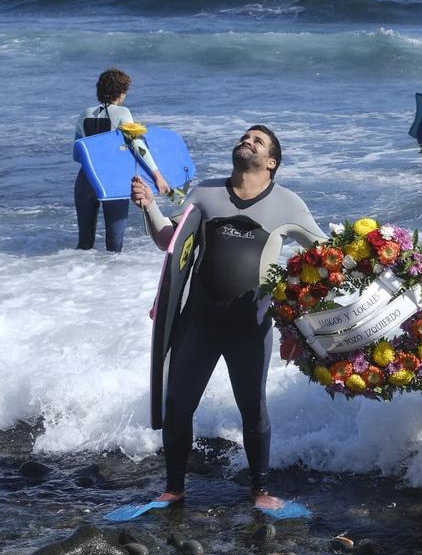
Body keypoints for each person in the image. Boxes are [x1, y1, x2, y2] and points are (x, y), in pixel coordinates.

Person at [131, 125, 325, 509]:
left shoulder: (288, 203)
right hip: (198, 322)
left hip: (249, 326)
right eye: (245, 137)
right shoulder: (205, 193)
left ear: (271, 162)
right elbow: (171, 244)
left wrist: (305, 306)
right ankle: (173, 489)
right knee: (179, 405)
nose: (247, 142)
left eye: (258, 141)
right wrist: (151, 205)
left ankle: (261, 491)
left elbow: (325, 256)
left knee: (252, 407)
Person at [75, 68, 170, 252]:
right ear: (120, 92)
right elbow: (138, 146)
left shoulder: (84, 113)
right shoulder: (122, 112)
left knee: (84, 243)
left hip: (85, 180)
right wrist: (157, 175)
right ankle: (107, 280)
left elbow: (77, 153)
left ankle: (77, 277)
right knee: (114, 245)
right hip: (112, 182)